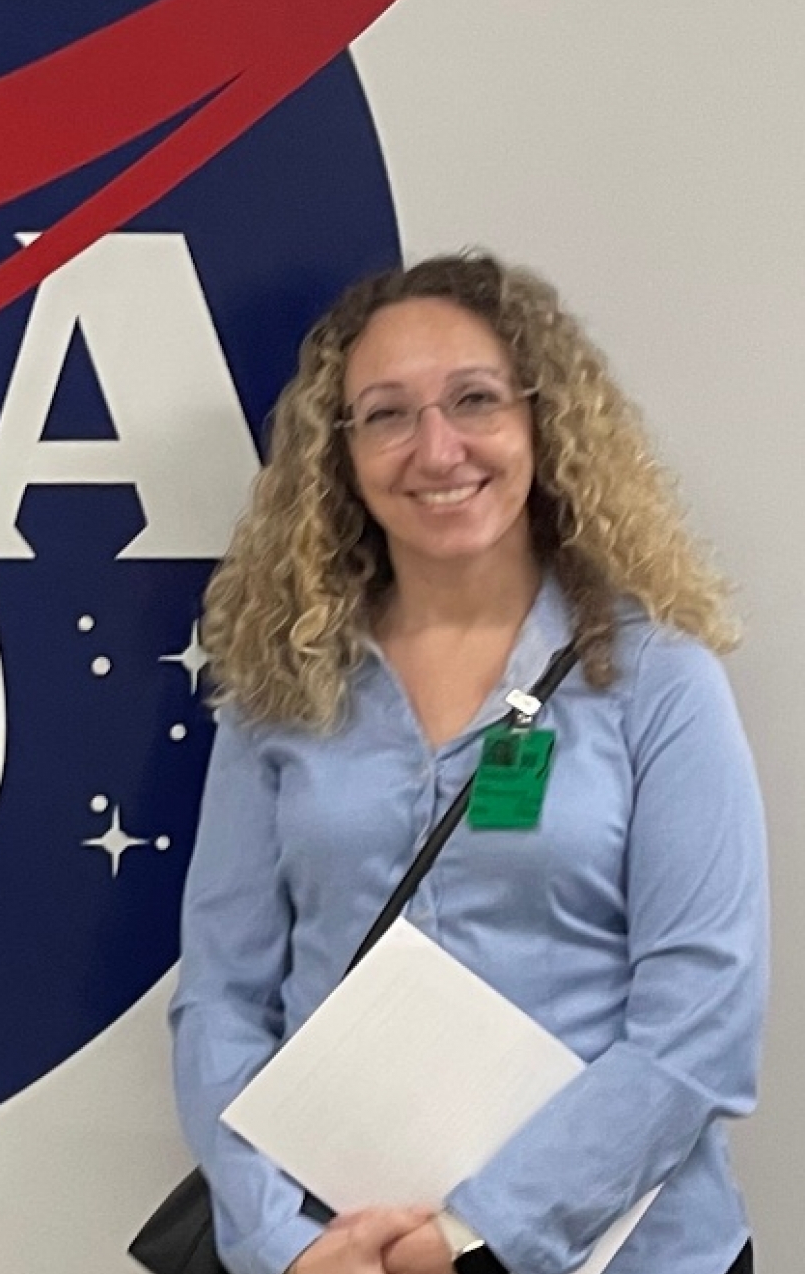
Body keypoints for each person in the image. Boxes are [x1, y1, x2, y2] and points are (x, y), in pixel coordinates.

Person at [170, 252, 764, 1274]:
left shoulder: (660, 680)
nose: (436, 448)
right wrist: (283, 1246)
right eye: (387, 415)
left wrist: (473, 1238)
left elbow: (702, 1020)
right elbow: (221, 997)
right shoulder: (280, 689)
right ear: (340, 453)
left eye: (475, 399)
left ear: (540, 419)